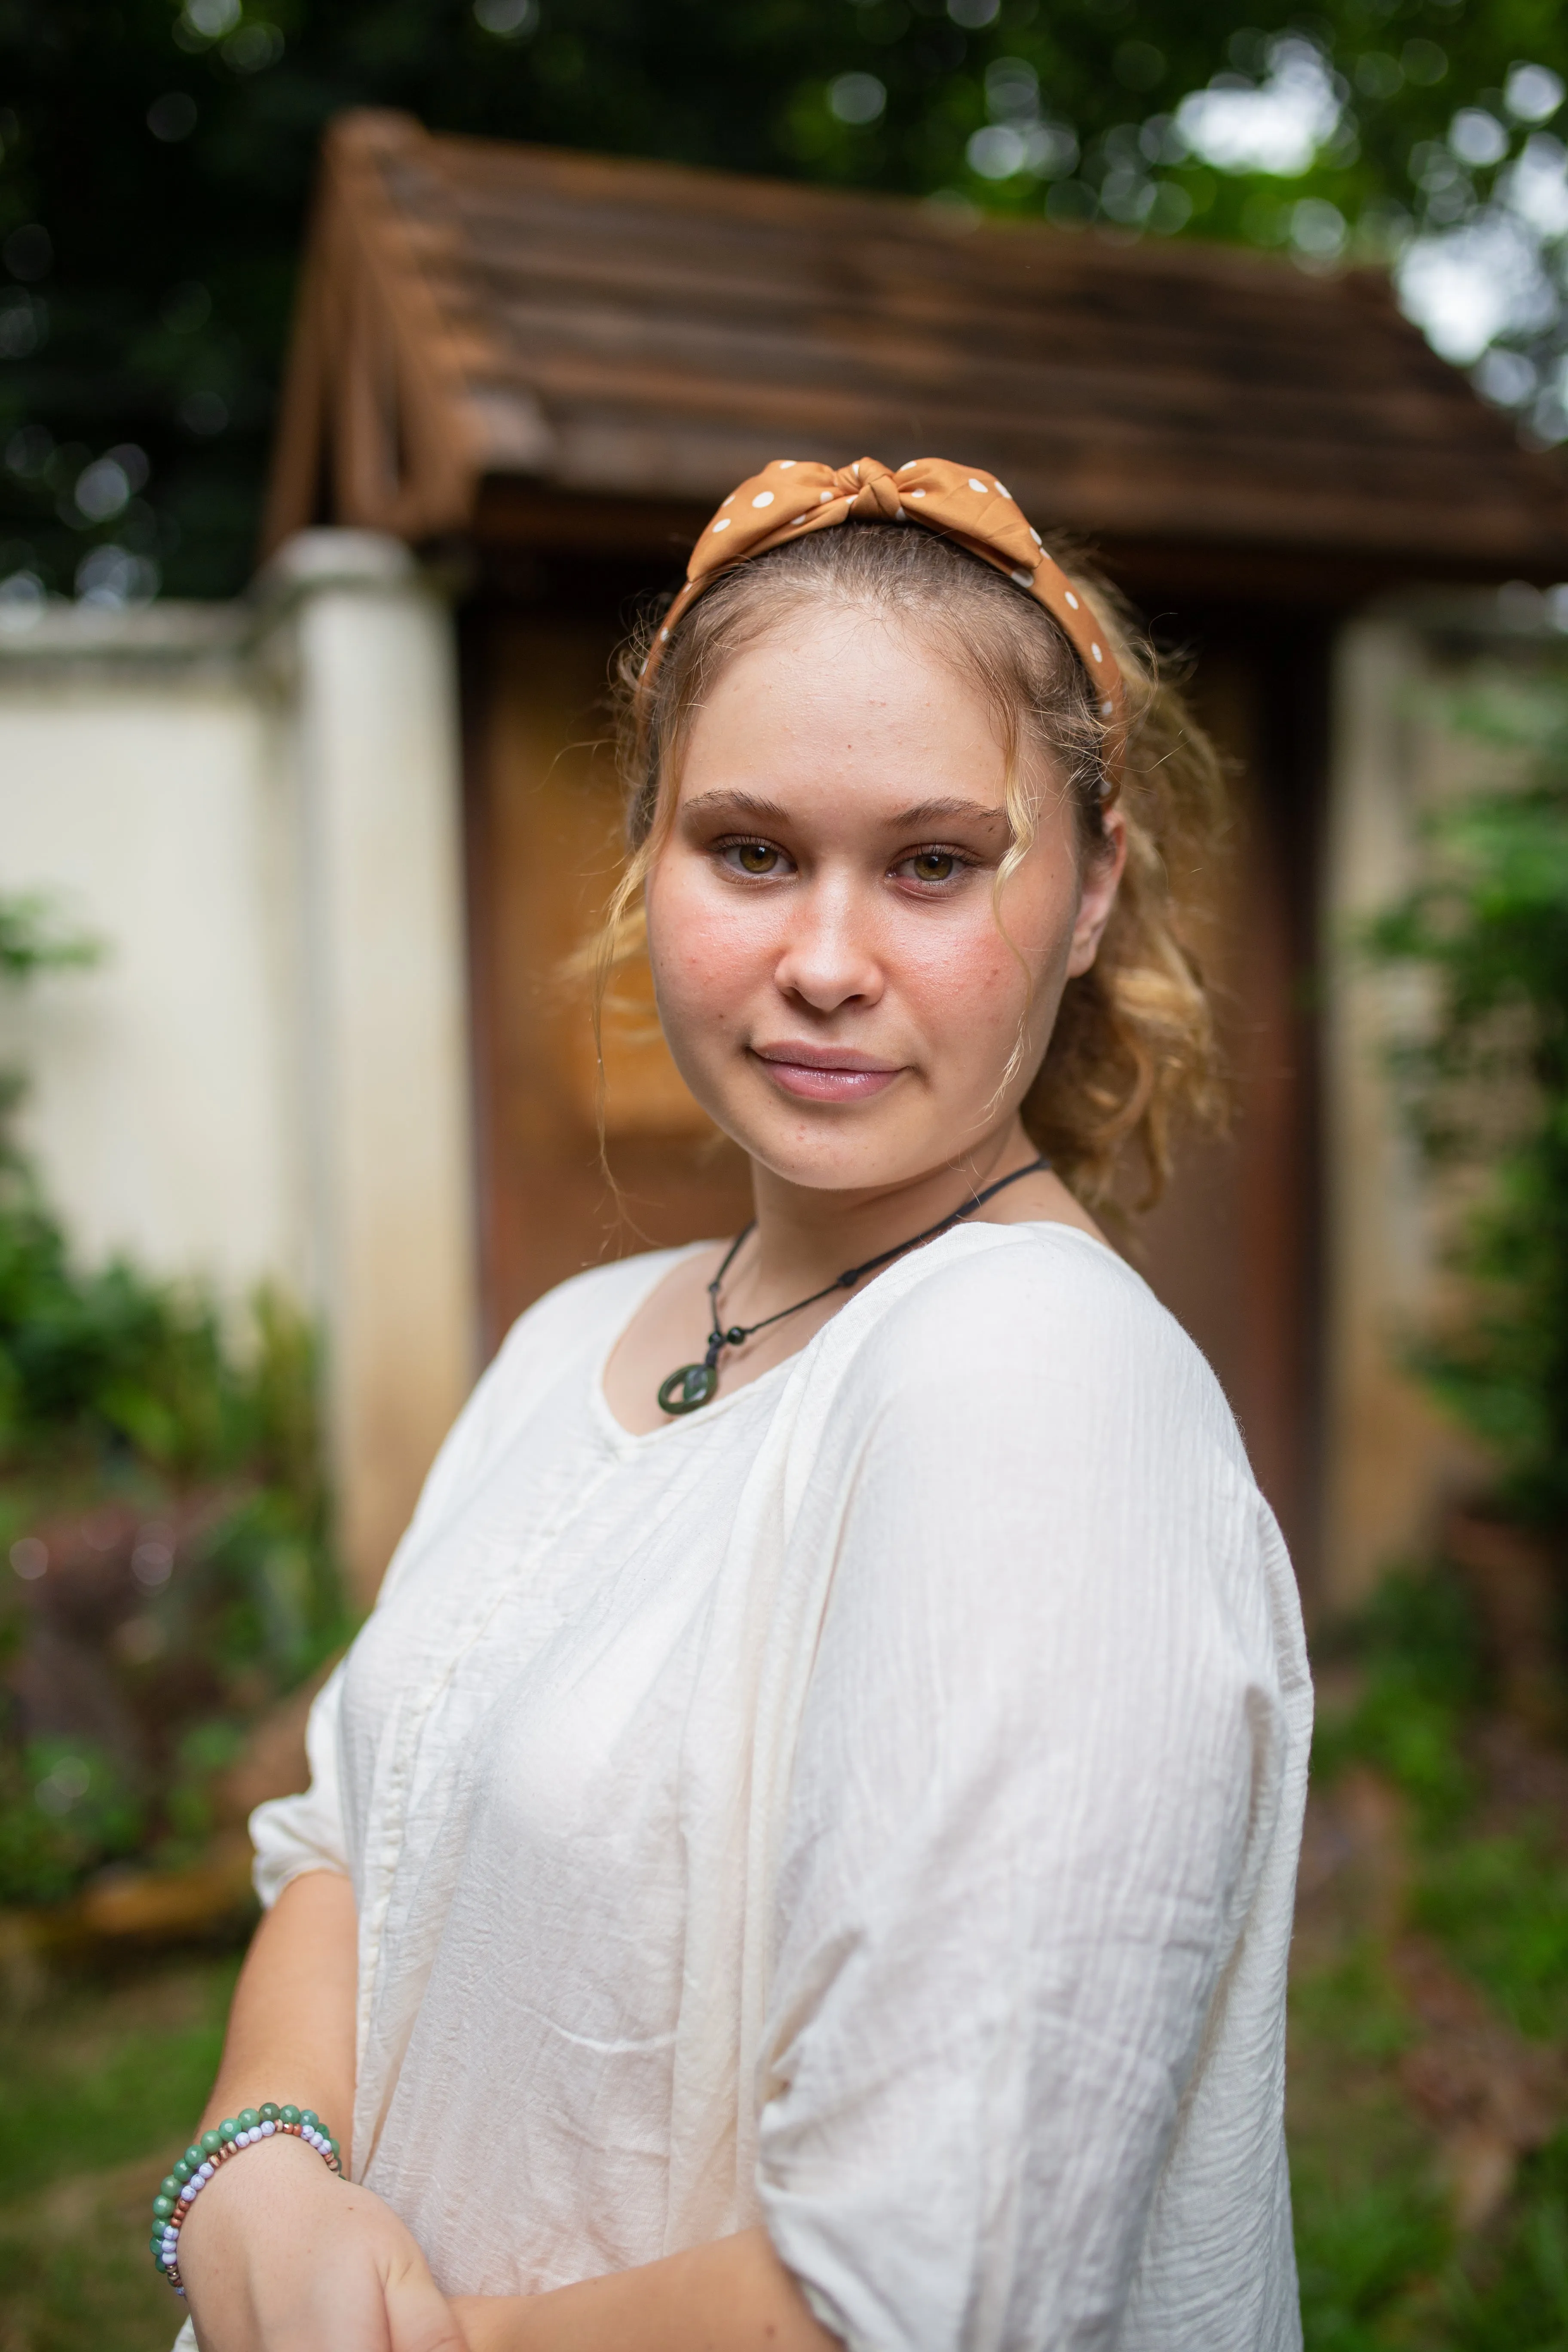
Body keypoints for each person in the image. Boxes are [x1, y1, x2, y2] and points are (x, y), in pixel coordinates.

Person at [166, 456, 1311, 2352]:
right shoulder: (572, 1339)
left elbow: (928, 2285)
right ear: (650, 852)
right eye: (752, 850)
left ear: (1093, 885)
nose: (827, 962)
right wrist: (258, 2160)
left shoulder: (1038, 1386)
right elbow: (354, 1838)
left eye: (935, 862)